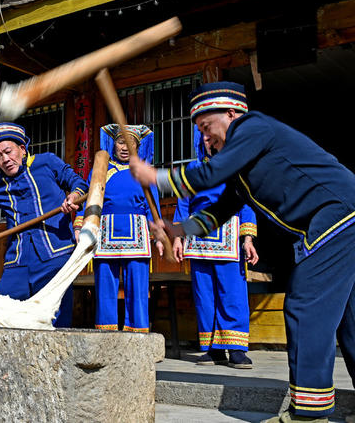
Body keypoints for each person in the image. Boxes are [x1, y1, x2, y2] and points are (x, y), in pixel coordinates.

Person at [129, 81, 355, 422]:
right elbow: (221, 209)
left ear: (232, 113)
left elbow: (209, 174)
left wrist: (156, 176)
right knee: (351, 321)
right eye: (200, 133)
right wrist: (178, 230)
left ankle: (310, 414)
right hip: (343, 219)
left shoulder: (253, 127)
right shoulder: (243, 168)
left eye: (207, 127)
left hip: (339, 215)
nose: (205, 139)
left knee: (305, 304)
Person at [0, 122, 89, 327]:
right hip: (18, 260)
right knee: (4, 318)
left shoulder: (46, 162)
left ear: (22, 149)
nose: (5, 159)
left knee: (55, 320)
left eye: (8, 152)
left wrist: (74, 196)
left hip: (56, 253)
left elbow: (79, 184)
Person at [172, 126, 259, 369]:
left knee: (232, 293)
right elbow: (183, 203)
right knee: (204, 295)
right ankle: (214, 350)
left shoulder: (236, 165)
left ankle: (237, 349)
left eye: (212, 135)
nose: (208, 140)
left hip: (228, 232)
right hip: (198, 235)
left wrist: (248, 239)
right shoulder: (191, 168)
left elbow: (246, 204)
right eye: (204, 135)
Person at [74, 124, 163, 333]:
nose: (125, 147)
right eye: (121, 142)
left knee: (138, 286)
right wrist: (80, 225)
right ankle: (106, 331)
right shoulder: (101, 171)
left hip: (138, 231)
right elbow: (88, 200)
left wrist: (158, 235)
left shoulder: (144, 172)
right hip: (105, 230)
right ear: (113, 144)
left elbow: (153, 207)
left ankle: (138, 331)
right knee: (105, 284)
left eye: (131, 144)